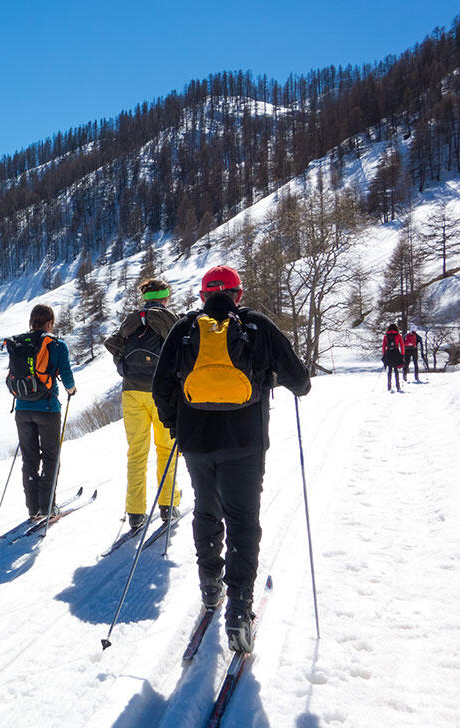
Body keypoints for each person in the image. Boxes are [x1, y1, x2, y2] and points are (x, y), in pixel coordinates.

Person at [152, 265, 310, 652]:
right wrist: (272, 377)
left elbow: (161, 387)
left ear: (203, 295)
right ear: (238, 295)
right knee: (242, 520)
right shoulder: (256, 326)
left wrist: (176, 425)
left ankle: (210, 584)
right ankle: (239, 606)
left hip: (196, 440)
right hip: (246, 441)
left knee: (206, 510)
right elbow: (301, 381)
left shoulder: (185, 328)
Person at [104, 278, 181, 530]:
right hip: (162, 392)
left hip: (132, 392)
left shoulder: (132, 319)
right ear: (165, 297)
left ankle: (135, 511)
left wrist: (123, 366)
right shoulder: (169, 317)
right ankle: (168, 505)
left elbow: (112, 343)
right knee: (166, 449)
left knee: (137, 452)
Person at [11, 304, 77, 520]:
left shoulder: (20, 343)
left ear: (31, 321)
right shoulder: (57, 345)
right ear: (50, 322)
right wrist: (71, 389)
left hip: (22, 407)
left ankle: (33, 508)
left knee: (29, 458)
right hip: (48, 408)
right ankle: (48, 506)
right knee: (50, 457)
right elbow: (66, 374)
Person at [382, 323, 404, 392]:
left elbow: (383, 346)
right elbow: (402, 345)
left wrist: (384, 354)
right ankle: (398, 385)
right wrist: (402, 354)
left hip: (388, 353)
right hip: (396, 353)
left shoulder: (386, 336)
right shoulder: (398, 335)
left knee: (389, 370)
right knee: (396, 369)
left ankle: (389, 385)